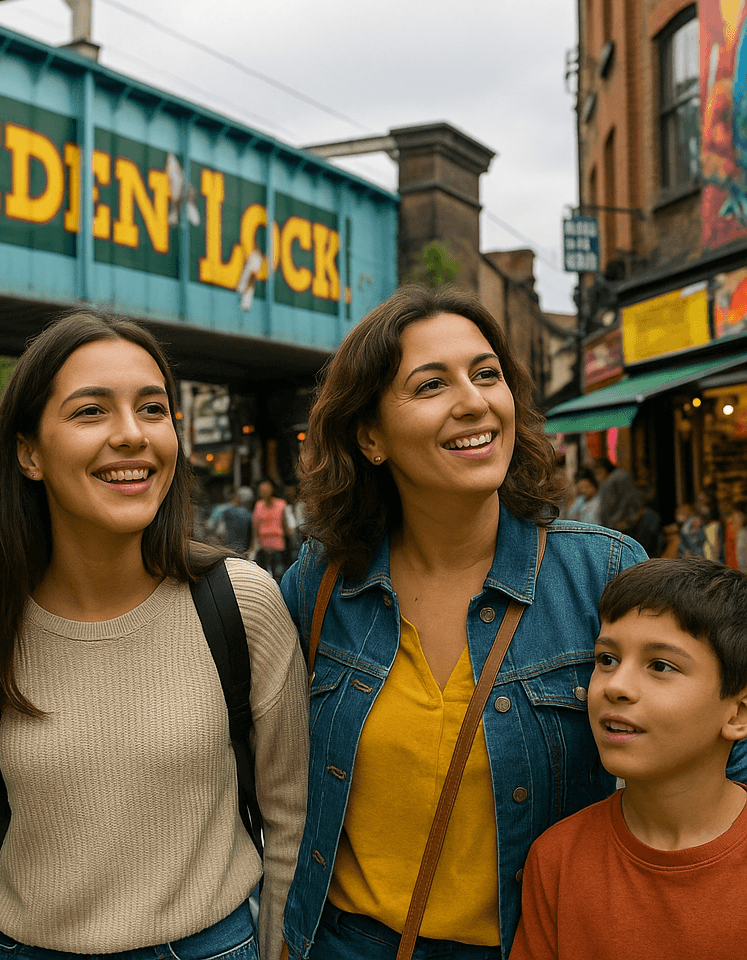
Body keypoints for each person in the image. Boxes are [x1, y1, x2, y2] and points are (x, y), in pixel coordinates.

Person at [279, 285, 649, 960]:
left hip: (536, 944)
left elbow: (722, 761)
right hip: (347, 944)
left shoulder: (602, 573)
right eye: (430, 385)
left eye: (487, 375)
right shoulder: (321, 582)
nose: (475, 401)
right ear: (370, 437)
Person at [0, 310, 308, 960]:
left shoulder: (240, 602)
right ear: (28, 452)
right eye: (91, 412)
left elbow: (292, 821)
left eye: (153, 409)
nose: (132, 435)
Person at [510, 558, 747, 959]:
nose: (616, 686)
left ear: (737, 714)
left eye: (660, 665)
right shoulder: (558, 860)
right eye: (606, 659)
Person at [252, 479, 291, 581]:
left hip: (278, 545)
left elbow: (287, 524)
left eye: (266, 489)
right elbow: (255, 526)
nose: (264, 492)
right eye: (261, 490)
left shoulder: (281, 504)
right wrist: (254, 545)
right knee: (264, 577)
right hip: (264, 546)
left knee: (279, 574)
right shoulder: (259, 505)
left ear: (272, 489)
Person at [590, 457, 639, 533]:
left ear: (603, 468)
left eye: (597, 472)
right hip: (614, 523)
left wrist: (618, 522)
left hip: (624, 522)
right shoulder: (609, 479)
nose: (597, 477)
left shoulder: (618, 477)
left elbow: (626, 501)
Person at [217, 485, 255, 553]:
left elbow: (220, 531)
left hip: (228, 548)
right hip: (243, 550)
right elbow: (251, 536)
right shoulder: (250, 515)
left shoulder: (227, 512)